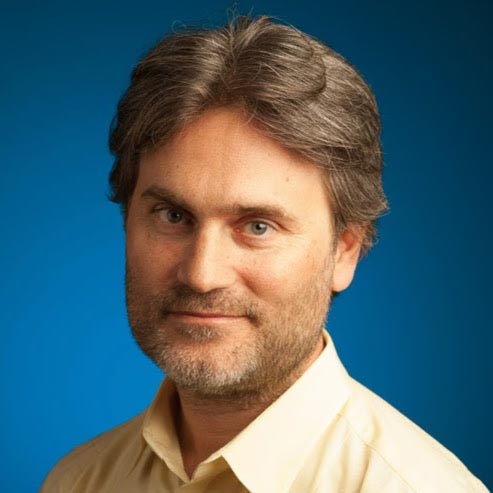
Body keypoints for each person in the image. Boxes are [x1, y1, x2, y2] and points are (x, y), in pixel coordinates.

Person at [40, 14, 489, 493]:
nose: (202, 274)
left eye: (258, 226)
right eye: (173, 216)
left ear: (345, 251)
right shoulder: (78, 481)